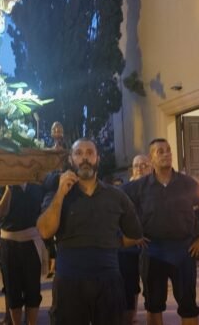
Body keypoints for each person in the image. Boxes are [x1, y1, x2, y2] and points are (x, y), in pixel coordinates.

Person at [38, 138, 143, 324]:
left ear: (98, 158)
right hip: (68, 283)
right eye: (78, 153)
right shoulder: (56, 194)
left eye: (89, 153)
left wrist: (113, 244)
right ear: (70, 160)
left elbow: (135, 234)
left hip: (109, 282)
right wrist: (60, 194)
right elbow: (45, 231)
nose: (84, 158)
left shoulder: (116, 196)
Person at [123, 138, 199, 325]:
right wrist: (131, 236)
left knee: (188, 305)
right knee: (153, 305)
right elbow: (117, 208)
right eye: (160, 151)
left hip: (183, 251)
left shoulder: (187, 183)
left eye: (168, 150)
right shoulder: (139, 187)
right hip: (152, 251)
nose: (166, 154)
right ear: (151, 158)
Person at [0, 183, 46, 325]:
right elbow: (0, 212)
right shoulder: (2, 185)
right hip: (9, 242)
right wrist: (8, 189)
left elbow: (44, 211)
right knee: (13, 291)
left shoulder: (36, 185)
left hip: (31, 240)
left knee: (33, 290)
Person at [117, 154, 153, 324]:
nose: (140, 168)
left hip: (150, 243)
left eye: (144, 165)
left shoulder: (155, 189)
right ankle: (131, 315)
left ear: (151, 168)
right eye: (137, 165)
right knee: (129, 283)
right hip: (129, 244)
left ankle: (152, 313)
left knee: (151, 283)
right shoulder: (124, 189)